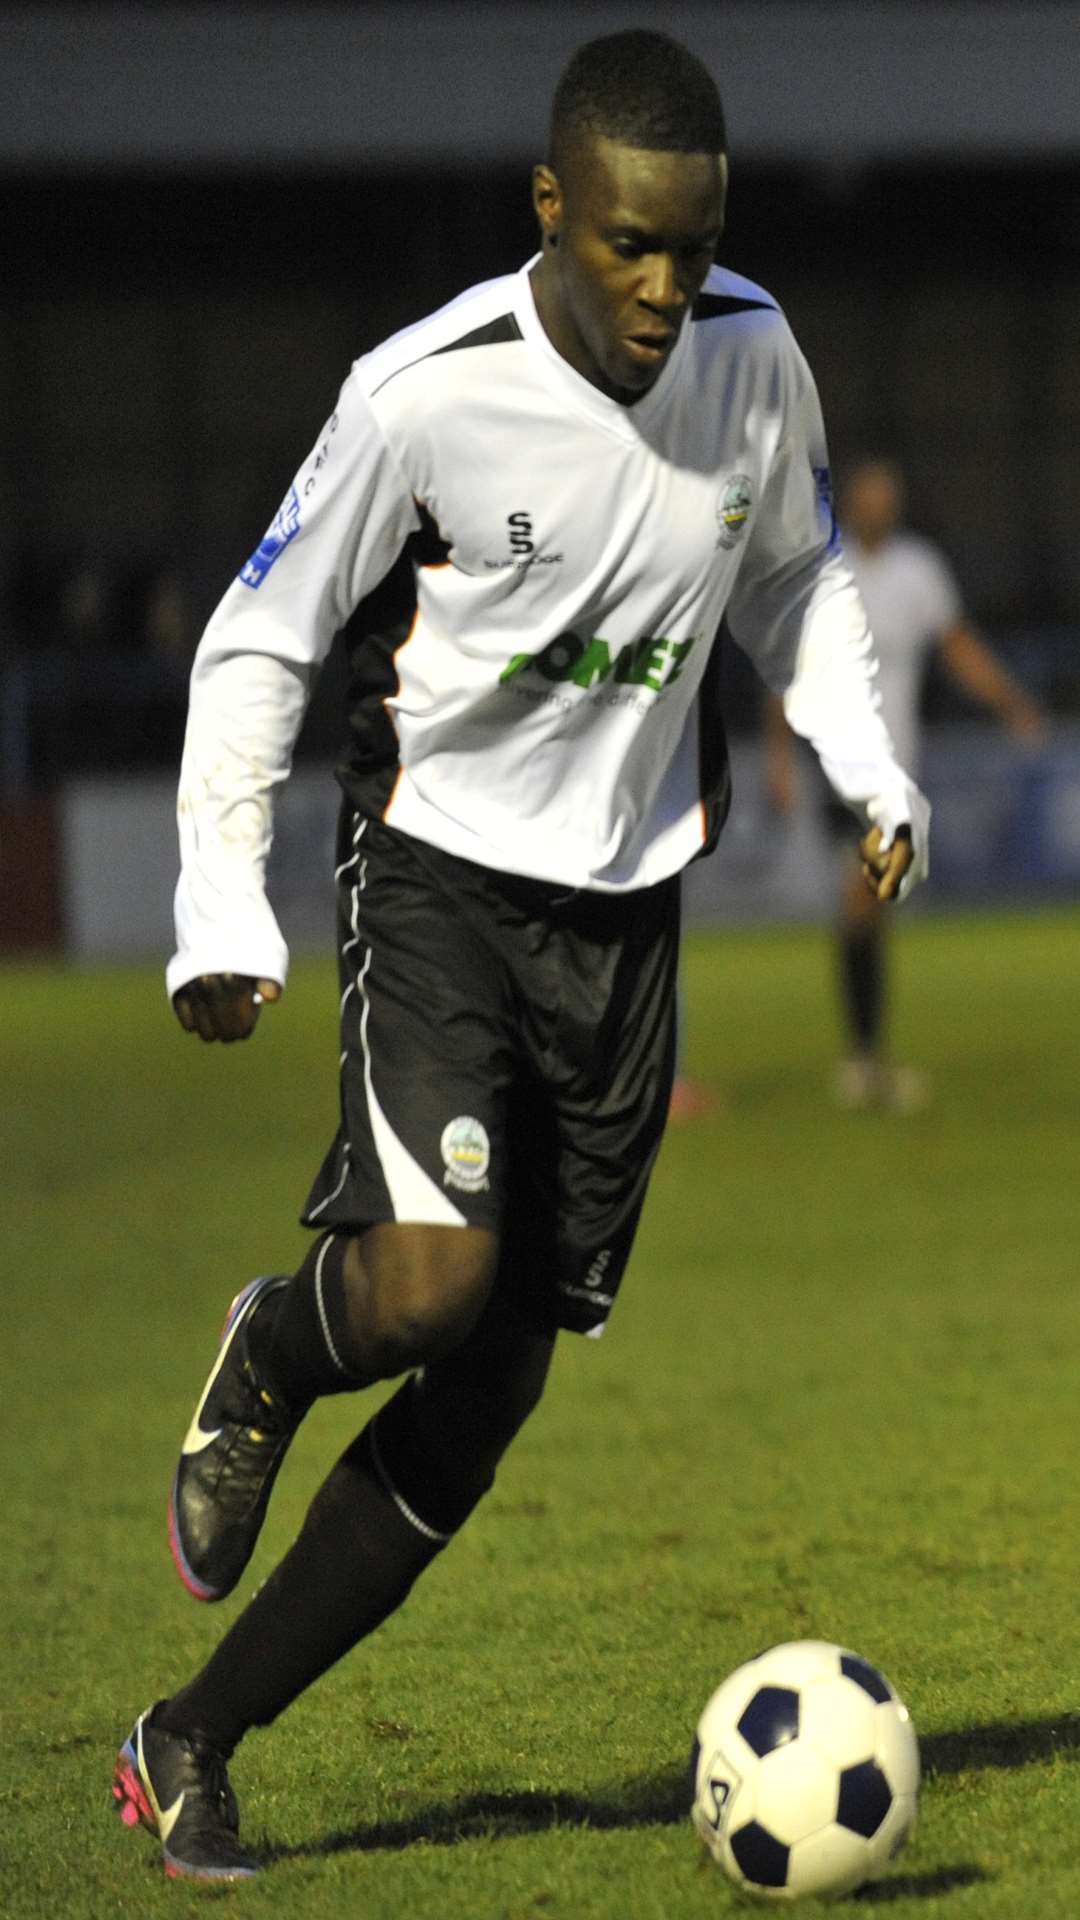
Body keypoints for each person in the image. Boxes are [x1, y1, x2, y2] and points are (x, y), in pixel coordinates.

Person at [111, 30, 929, 1882]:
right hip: (437, 879)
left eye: (694, 246)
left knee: (487, 1397)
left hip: (627, 922)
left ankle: (187, 1739)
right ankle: (271, 1337)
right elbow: (258, 647)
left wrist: (874, 767)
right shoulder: (420, 396)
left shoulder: (755, 351)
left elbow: (797, 576)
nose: (665, 288)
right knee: (417, 1293)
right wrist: (218, 909)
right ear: (552, 206)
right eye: (630, 243)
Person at [766, 457, 1045, 1111]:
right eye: (865, 499)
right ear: (851, 505)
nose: (874, 509)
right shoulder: (824, 571)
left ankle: (866, 1057)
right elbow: (786, 664)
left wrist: (1011, 705)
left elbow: (957, 646)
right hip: (837, 762)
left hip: (898, 767)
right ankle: (864, 1061)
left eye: (884, 500)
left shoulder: (918, 570)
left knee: (869, 912)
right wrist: (779, 755)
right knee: (863, 899)